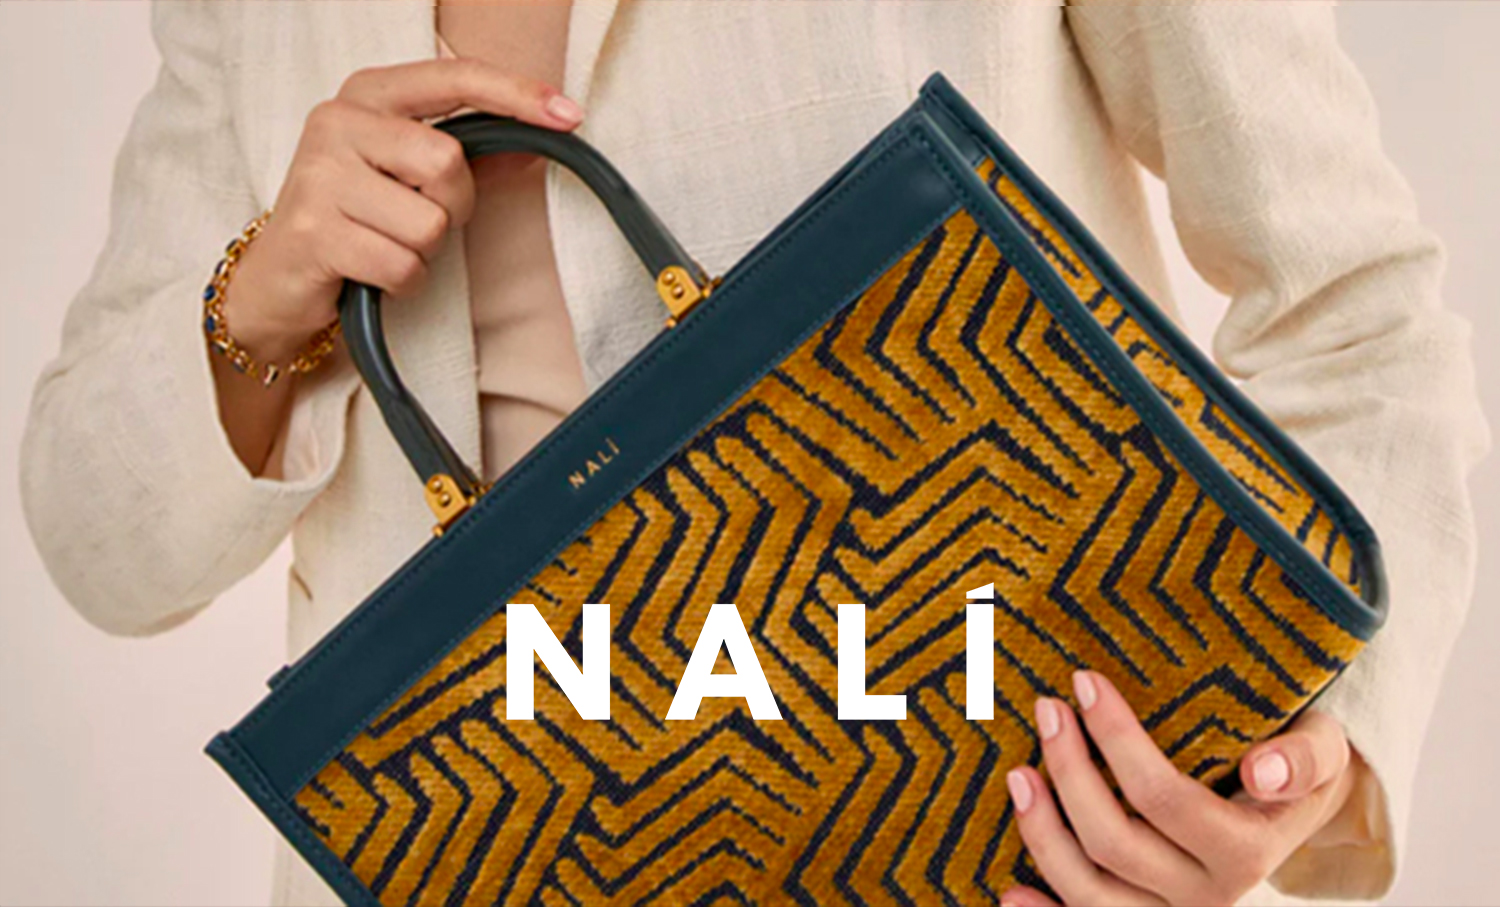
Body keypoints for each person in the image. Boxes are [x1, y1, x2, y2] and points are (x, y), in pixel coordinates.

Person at [18, 2, 1488, 905]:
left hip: (962, 831)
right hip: (474, 851)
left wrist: (1300, 759)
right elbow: (99, 541)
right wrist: (259, 298)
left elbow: (1351, 305)